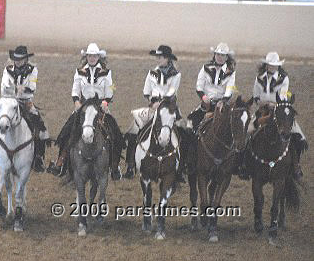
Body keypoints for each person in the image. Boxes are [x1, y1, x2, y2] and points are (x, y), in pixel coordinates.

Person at [47, 43, 125, 180]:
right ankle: (61, 161)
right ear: (86, 57)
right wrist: (76, 101)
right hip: (83, 107)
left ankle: (114, 166)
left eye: (94, 56)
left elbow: (111, 89)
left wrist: (106, 102)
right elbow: (75, 90)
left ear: (98, 57)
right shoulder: (79, 72)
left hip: (100, 108)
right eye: (90, 55)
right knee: (67, 131)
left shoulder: (107, 72)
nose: (92, 58)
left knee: (116, 134)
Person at [0, 46, 50, 172]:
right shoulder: (7, 69)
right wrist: (17, 88)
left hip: (25, 102)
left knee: (40, 126)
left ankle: (38, 157)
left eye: (20, 59)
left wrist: (19, 88)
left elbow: (32, 86)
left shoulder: (33, 70)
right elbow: (4, 87)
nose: (17, 61)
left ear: (26, 59)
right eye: (16, 59)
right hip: (8, 100)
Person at [124, 45, 182, 179]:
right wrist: (152, 101)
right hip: (153, 106)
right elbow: (146, 91)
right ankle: (130, 165)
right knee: (134, 128)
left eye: (160, 57)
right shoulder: (151, 73)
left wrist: (160, 103)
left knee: (183, 130)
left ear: (167, 58)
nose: (158, 59)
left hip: (169, 108)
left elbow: (172, 91)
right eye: (157, 57)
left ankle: (180, 167)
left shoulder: (176, 74)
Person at [248, 52, 307, 180]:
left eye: (275, 65)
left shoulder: (284, 78)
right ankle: (246, 164)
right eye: (270, 65)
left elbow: (283, 95)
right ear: (267, 65)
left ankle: (296, 166)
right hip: (263, 110)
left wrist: (274, 104)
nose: (272, 67)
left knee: (298, 135)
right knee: (248, 130)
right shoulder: (259, 77)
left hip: (279, 110)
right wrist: (262, 103)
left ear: (278, 66)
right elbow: (256, 96)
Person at [187, 43, 236, 133]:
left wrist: (222, 101)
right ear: (214, 55)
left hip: (221, 105)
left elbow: (229, 90)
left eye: (222, 55)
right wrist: (204, 97)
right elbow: (199, 86)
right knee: (191, 120)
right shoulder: (205, 68)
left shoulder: (231, 72)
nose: (219, 57)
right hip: (207, 103)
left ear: (226, 57)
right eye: (217, 54)